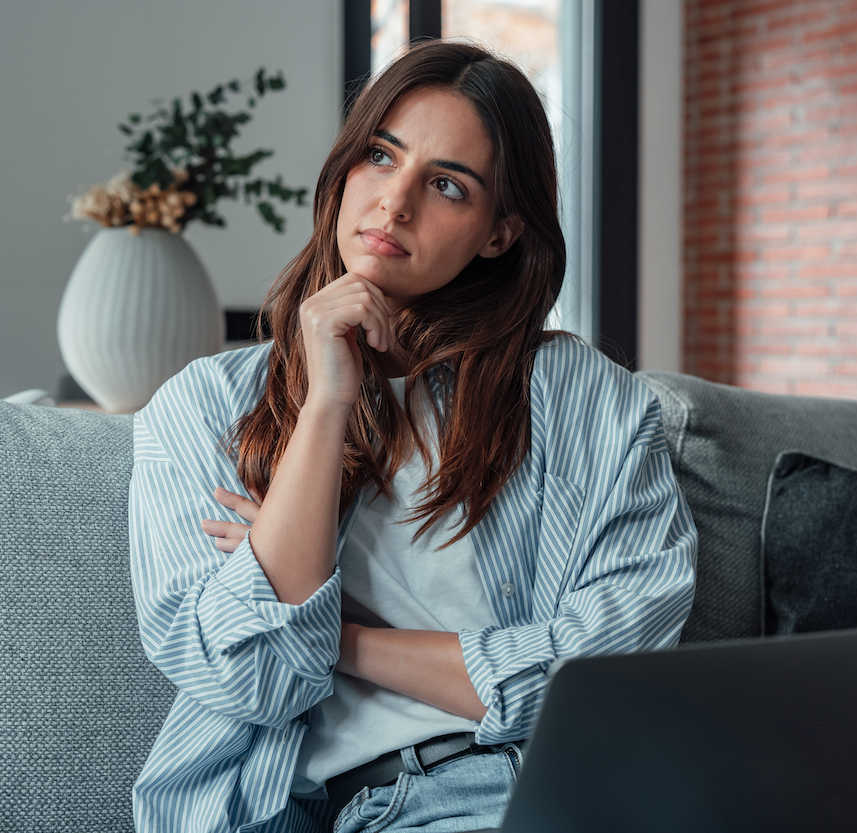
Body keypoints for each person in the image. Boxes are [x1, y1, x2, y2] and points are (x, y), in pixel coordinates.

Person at [129, 39, 697, 833]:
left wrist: (344, 635)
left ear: (499, 232)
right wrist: (327, 401)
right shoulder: (202, 410)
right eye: (379, 155)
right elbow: (251, 673)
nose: (393, 204)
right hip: (360, 802)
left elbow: (606, 673)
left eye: (445, 185)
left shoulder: (582, 400)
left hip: (562, 789)